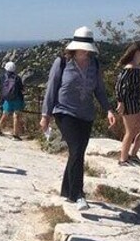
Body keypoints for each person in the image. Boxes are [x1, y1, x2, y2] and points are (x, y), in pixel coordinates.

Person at [39, 26, 116, 211]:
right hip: (64, 111)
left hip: (86, 114)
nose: (84, 50)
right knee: (77, 149)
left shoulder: (94, 64)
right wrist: (45, 115)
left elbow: (99, 89)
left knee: (77, 152)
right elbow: (52, 88)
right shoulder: (62, 62)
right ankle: (78, 194)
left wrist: (108, 110)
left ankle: (67, 190)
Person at [115, 41, 140, 166]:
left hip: (136, 102)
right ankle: (123, 159)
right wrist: (120, 101)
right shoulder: (129, 68)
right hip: (129, 103)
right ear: (137, 53)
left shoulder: (137, 68)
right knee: (130, 131)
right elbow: (119, 86)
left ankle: (133, 155)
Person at [0, 61, 25, 139]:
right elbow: (22, 89)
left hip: (7, 99)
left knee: (4, 114)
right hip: (17, 99)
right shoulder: (17, 78)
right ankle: (15, 134)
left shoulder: (3, 76)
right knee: (16, 116)